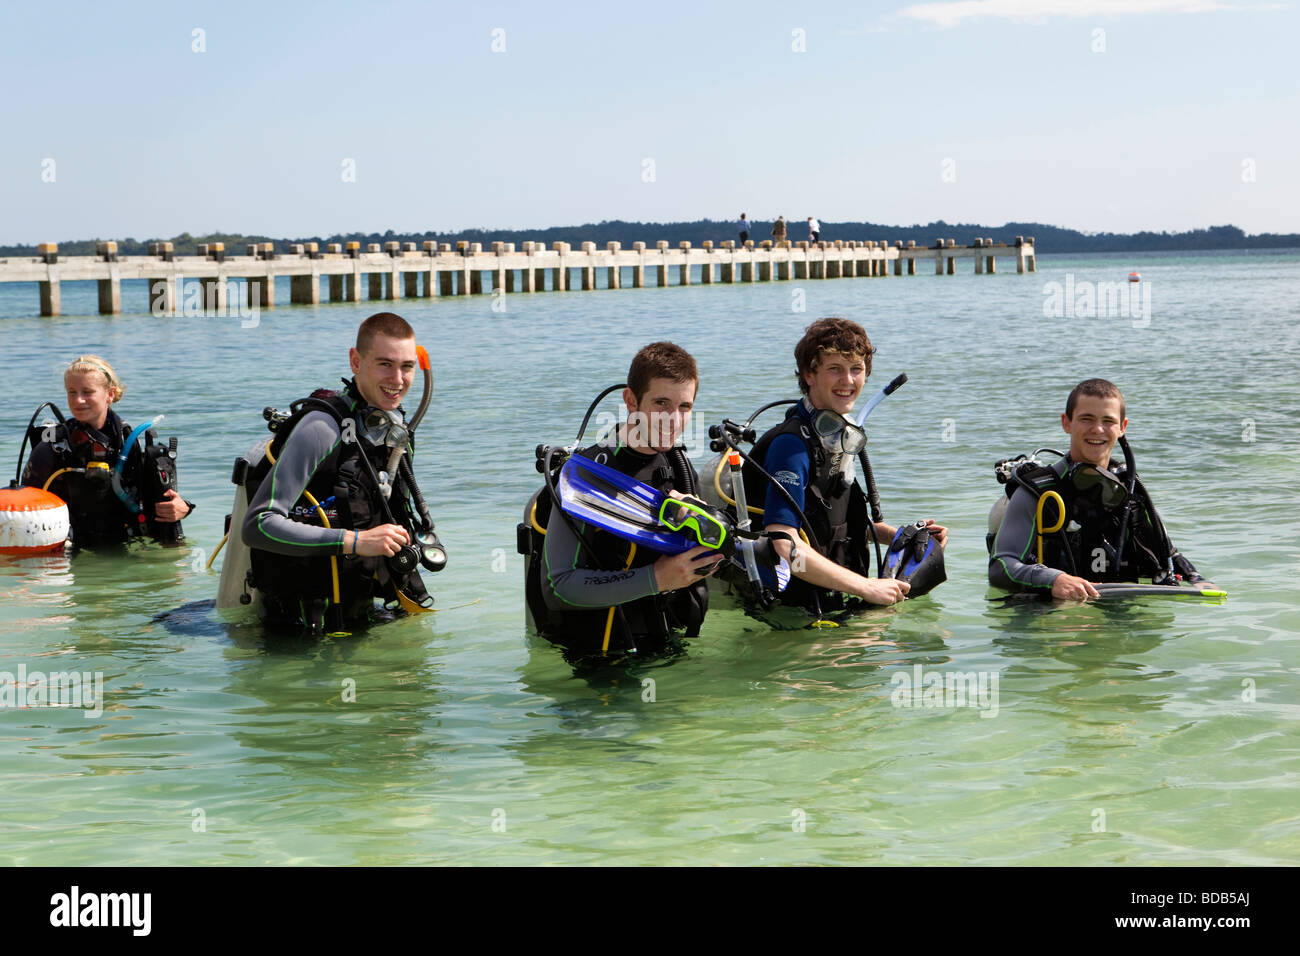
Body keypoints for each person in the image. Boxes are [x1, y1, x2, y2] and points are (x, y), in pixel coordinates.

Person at [239, 311, 441, 634]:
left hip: (358, 619)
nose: (398, 380)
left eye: (407, 367)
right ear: (355, 362)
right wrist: (355, 540)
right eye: (385, 364)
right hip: (298, 636)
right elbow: (256, 526)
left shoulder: (392, 431)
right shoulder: (321, 429)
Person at [742, 318, 947, 617]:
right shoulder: (792, 445)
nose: (848, 381)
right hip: (790, 610)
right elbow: (783, 542)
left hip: (831, 601)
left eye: (856, 370)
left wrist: (905, 537)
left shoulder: (836, 436)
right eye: (834, 369)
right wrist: (865, 587)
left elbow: (834, 526)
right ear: (809, 375)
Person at [533, 342, 721, 659]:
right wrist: (655, 579)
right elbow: (558, 588)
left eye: (684, 407)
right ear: (631, 400)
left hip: (670, 642)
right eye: (661, 403)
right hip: (601, 659)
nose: (673, 420)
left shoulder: (680, 467)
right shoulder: (587, 477)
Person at [989, 378, 1208, 599]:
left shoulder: (1130, 490)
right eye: (1086, 419)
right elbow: (1000, 566)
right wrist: (1053, 579)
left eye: (1108, 421)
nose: (1097, 429)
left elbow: (1167, 554)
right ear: (1067, 423)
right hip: (1050, 615)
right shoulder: (1037, 493)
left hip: (1116, 608)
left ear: (1122, 428)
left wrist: (1198, 579)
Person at [21, 355, 191, 546]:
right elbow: (24, 509)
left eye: (87, 392)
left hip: (124, 543)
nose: (78, 400)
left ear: (109, 394)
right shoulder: (53, 448)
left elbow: (147, 501)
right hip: (67, 548)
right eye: (72, 392)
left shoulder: (128, 442)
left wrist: (182, 507)